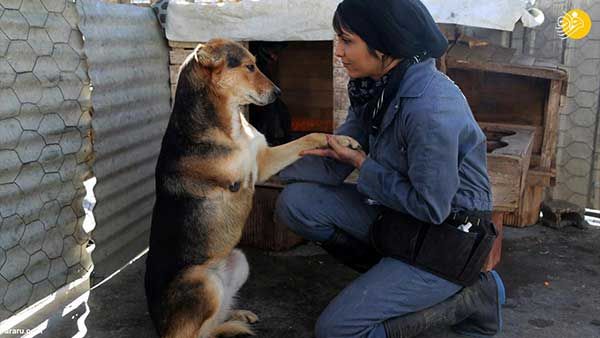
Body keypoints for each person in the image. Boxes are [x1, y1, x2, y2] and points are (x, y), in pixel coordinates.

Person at [274, 0, 505, 337]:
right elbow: (331, 165)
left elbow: (432, 207)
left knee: (337, 331)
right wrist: (251, 168)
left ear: (383, 42)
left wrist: (362, 164)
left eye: (347, 41)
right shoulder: (379, 89)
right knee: (297, 203)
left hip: (447, 239)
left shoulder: (430, 108)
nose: (339, 52)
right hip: (401, 217)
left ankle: (471, 297)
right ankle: (390, 274)